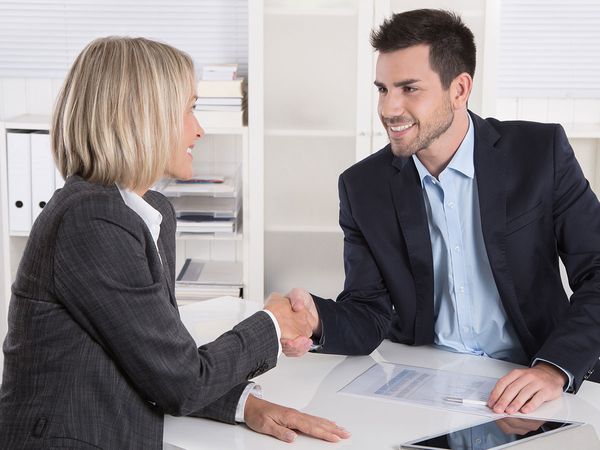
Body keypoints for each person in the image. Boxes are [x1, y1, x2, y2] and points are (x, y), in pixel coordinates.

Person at [0, 37, 349, 449]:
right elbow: (179, 381)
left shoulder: (148, 212)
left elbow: (151, 360)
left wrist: (243, 405)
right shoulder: (92, 220)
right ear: (140, 118)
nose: (199, 129)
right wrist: (272, 323)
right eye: (188, 109)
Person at [280, 9, 600, 416]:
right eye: (382, 89)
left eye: (409, 88)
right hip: (426, 380)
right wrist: (318, 320)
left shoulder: (540, 153)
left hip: (534, 375)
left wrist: (555, 369)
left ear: (460, 89)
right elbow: (368, 311)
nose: (389, 108)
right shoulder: (363, 187)